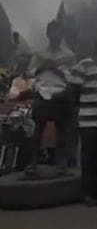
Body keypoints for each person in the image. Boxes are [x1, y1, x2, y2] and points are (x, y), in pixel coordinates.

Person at [68, 34, 97, 207]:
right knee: (88, 158)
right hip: (88, 120)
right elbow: (72, 90)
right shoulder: (84, 65)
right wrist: (78, 110)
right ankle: (86, 194)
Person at [26, 20, 77, 175]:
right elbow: (29, 73)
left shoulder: (69, 55)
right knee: (37, 131)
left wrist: (56, 69)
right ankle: (32, 163)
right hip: (41, 94)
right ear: (48, 34)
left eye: (59, 31)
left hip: (59, 95)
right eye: (53, 31)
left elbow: (73, 77)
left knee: (61, 131)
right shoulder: (39, 54)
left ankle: (61, 163)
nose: (55, 35)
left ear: (62, 34)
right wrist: (43, 66)